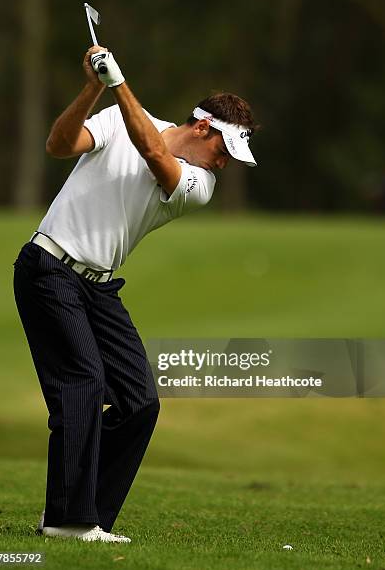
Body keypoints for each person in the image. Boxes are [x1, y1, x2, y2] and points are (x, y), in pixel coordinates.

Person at [13, 45, 258, 543]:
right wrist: (93, 87)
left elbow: (152, 152)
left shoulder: (198, 183)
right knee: (82, 383)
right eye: (224, 152)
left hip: (98, 287)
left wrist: (118, 82)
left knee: (139, 401)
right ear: (204, 128)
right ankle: (68, 520)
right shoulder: (119, 116)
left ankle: (88, 516)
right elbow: (59, 145)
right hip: (49, 268)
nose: (225, 165)